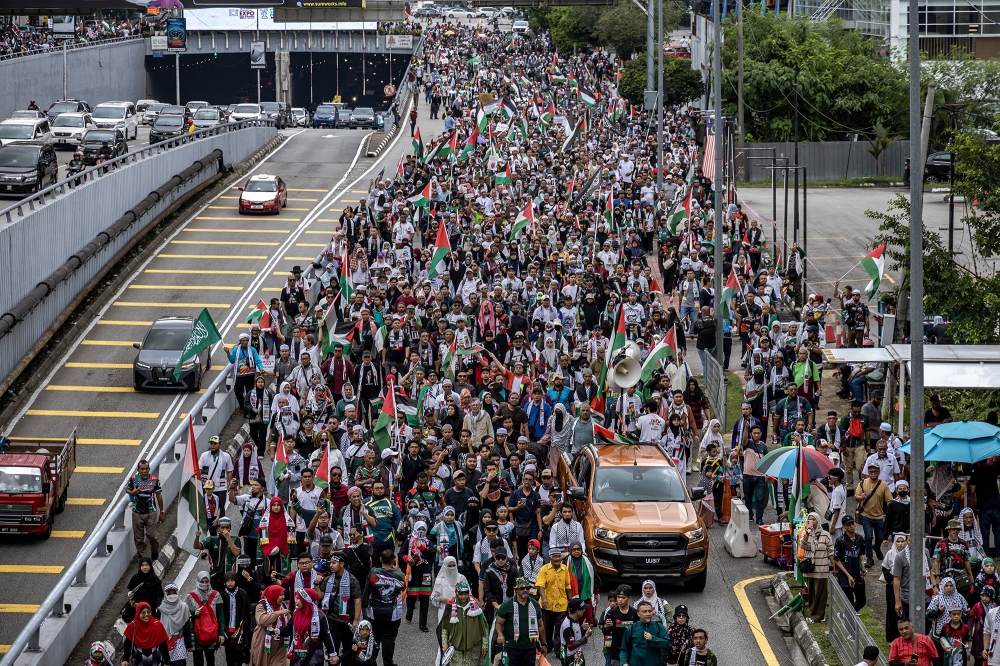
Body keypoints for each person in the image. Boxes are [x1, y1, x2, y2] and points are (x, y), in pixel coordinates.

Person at [363, 549, 406, 666]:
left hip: (374, 613)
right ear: (394, 560)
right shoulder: (400, 575)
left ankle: (371, 662)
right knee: (388, 640)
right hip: (392, 614)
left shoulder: (373, 572)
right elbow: (403, 588)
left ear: (380, 559)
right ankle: (388, 663)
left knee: (373, 638)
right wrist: (397, 570)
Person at [277, 588, 339, 665]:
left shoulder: (319, 616)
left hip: (314, 654)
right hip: (297, 653)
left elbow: (326, 635)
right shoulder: (296, 614)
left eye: (298, 598)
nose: (295, 601)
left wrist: (332, 654)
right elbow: (289, 629)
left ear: (305, 600)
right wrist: (278, 631)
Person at [494, 577, 546, 666]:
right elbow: (499, 623)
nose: (525, 590)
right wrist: (500, 634)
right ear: (516, 590)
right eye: (522, 588)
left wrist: (544, 644)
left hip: (530, 647)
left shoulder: (535, 605)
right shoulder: (507, 605)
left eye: (527, 588)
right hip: (512, 648)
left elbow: (540, 625)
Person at [437, 580, 488, 666]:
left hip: (474, 647)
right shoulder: (451, 608)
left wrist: (485, 645)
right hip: (456, 647)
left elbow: (484, 627)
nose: (463, 597)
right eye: (461, 594)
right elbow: (444, 628)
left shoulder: (476, 607)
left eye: (466, 594)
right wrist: (444, 645)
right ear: (457, 594)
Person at [798, 511, 834, 623]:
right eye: (810, 520)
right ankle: (813, 614)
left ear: (818, 521)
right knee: (812, 592)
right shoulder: (805, 533)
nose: (812, 522)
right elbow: (802, 546)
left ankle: (819, 615)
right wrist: (807, 535)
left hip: (822, 568)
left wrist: (833, 566)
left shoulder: (825, 534)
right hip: (810, 568)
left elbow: (830, 551)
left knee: (821, 593)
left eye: (814, 520)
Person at [855, 462, 893, 568]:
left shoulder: (883, 485)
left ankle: (877, 547)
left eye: (875, 471)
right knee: (868, 536)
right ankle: (869, 558)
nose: (873, 473)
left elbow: (889, 500)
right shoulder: (862, 483)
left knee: (880, 537)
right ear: (868, 472)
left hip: (879, 515)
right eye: (871, 471)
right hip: (865, 515)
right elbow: (856, 496)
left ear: (879, 472)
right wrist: (861, 497)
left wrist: (891, 512)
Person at [126, 459, 165, 560]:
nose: (144, 471)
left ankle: (155, 551)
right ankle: (145, 560)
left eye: (146, 469)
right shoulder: (133, 479)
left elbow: (159, 496)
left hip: (151, 512)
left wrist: (162, 512)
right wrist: (133, 493)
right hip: (137, 513)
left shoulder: (154, 480)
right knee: (138, 539)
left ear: (149, 469)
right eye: (142, 469)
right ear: (138, 469)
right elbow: (127, 489)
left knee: (152, 535)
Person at [537, 548, 573, 653]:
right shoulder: (544, 569)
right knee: (547, 629)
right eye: (555, 557)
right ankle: (549, 644)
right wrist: (543, 599)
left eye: (559, 556)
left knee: (559, 629)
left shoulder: (565, 569)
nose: (557, 559)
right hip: (546, 605)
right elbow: (541, 585)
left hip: (561, 605)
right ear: (550, 558)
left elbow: (568, 586)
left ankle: (558, 650)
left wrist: (570, 601)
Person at [187, 571, 224, 666]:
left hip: (211, 633)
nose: (204, 584)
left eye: (206, 581)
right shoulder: (190, 596)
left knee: (210, 660)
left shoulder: (216, 595)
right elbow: (184, 615)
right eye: (202, 581)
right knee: (197, 661)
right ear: (197, 581)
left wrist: (221, 634)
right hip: (196, 633)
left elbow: (220, 616)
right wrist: (193, 613)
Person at [619, 600, 672, 666]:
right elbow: (624, 649)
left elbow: (667, 643)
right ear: (638, 613)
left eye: (650, 611)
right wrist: (624, 663)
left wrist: (653, 639)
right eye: (644, 611)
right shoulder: (632, 628)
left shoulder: (658, 626)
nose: (648, 614)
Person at [250, 585, 291, 666]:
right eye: (280, 595)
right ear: (274, 595)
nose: (283, 597)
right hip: (264, 642)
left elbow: (289, 621)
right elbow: (261, 620)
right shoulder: (261, 606)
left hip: (280, 643)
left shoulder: (283, 605)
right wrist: (277, 613)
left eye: (283, 595)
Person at [834, 515, 867, 612]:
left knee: (862, 601)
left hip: (857, 575)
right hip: (845, 576)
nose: (851, 526)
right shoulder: (840, 541)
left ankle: (847, 615)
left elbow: (860, 555)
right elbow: (836, 559)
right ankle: (849, 620)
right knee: (849, 602)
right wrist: (848, 575)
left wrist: (863, 568)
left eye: (852, 523)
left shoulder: (860, 538)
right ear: (844, 527)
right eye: (848, 525)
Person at [121, 601, 170, 666]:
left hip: (156, 662)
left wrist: (167, 661)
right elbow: (128, 644)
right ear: (138, 613)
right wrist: (125, 659)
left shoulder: (157, 625)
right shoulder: (133, 626)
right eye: (143, 612)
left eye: (148, 612)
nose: (146, 615)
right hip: (138, 662)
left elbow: (163, 645)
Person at [219, 573, 252, 666]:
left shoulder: (242, 594)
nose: (230, 583)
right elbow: (220, 614)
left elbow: (246, 613)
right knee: (229, 656)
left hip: (240, 629)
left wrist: (241, 630)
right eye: (228, 581)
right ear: (225, 582)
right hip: (227, 629)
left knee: (240, 654)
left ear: (236, 581)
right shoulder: (222, 595)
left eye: (232, 580)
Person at [882, 533, 909, 643]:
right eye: (898, 541)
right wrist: (893, 580)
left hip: (904, 587)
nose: (900, 544)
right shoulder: (890, 553)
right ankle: (891, 637)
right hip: (892, 588)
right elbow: (884, 568)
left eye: (902, 541)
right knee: (892, 610)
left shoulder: (908, 555)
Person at [158, 583, 193, 666]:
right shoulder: (160, 609)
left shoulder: (184, 607)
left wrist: (189, 643)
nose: (172, 595)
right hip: (165, 643)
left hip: (179, 641)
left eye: (174, 593)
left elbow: (187, 626)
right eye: (169, 593)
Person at [123, 556, 164, 623]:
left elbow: (159, 596)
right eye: (142, 565)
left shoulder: (155, 580)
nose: (144, 567)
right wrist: (130, 595)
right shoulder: (136, 578)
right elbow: (130, 590)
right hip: (137, 611)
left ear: (150, 566)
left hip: (151, 612)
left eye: (147, 565)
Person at [558, 597, 592, 666]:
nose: (584, 610)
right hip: (570, 659)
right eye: (583, 609)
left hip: (577, 655)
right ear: (578, 611)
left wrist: (582, 629)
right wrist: (586, 636)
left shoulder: (574, 619)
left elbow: (575, 636)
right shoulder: (567, 626)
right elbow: (571, 646)